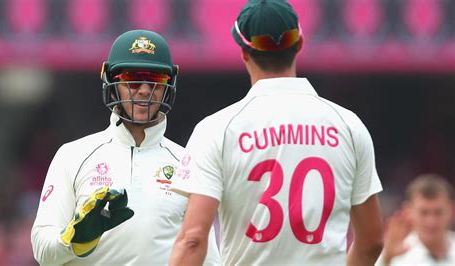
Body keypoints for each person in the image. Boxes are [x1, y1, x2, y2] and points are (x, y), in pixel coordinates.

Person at [169, 0, 384, 265]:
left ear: (243, 52)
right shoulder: (349, 125)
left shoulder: (217, 129)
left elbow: (192, 239)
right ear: (300, 44)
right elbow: (372, 242)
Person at [31, 29, 220, 265]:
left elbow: (209, 258)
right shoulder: (73, 155)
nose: (143, 90)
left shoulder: (187, 163)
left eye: (155, 80)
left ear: (168, 86)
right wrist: (74, 240)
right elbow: (42, 250)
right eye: (131, 79)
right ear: (112, 82)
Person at [378, 174, 455, 265]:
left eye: (438, 212)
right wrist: (387, 259)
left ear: (452, 210)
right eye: (424, 212)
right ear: (408, 211)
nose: (431, 222)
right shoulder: (395, 254)